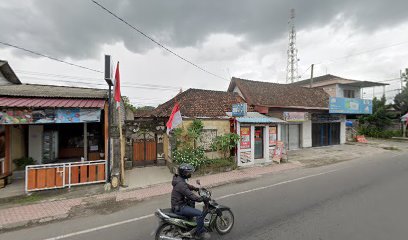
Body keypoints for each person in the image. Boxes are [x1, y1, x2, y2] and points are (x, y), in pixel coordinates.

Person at [171, 163, 209, 239]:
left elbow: (187, 186)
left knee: (191, 202)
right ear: (184, 173)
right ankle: (199, 233)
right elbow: (191, 196)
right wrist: (202, 199)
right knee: (200, 214)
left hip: (177, 203)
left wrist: (196, 188)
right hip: (180, 207)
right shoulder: (181, 184)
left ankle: (189, 221)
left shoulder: (179, 180)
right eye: (188, 172)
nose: (189, 174)